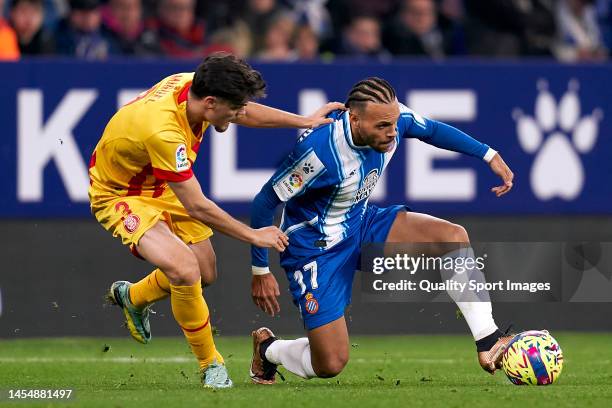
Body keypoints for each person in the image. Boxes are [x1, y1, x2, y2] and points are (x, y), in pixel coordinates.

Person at [88, 53, 343, 388]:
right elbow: (197, 206)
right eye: (233, 110)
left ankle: (133, 297)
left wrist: (304, 121)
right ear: (210, 103)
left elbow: (245, 110)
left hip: (157, 181)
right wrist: (253, 235)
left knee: (205, 272)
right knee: (183, 267)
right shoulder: (163, 131)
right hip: (119, 192)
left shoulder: (195, 86)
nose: (239, 115)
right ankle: (212, 365)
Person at [248, 77, 515, 384]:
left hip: (361, 222)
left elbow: (432, 130)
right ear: (354, 118)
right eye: (382, 126)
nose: (392, 133)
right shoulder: (319, 154)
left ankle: (488, 340)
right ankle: (269, 349)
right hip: (315, 249)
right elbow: (264, 202)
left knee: (452, 237)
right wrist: (260, 270)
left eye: (393, 123)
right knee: (330, 363)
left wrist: (488, 154)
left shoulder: (394, 118)